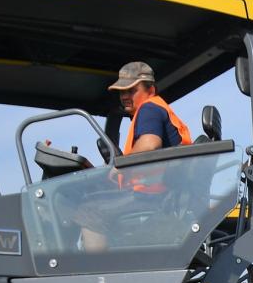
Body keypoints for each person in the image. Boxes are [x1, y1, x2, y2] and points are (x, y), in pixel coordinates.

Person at [77, 61, 193, 251]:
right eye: (122, 92)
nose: (124, 96)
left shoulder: (149, 109)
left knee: (90, 211)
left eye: (131, 91)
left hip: (153, 199)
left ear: (150, 89)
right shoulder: (158, 109)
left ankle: (99, 275)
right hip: (167, 197)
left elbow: (149, 144)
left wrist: (119, 166)